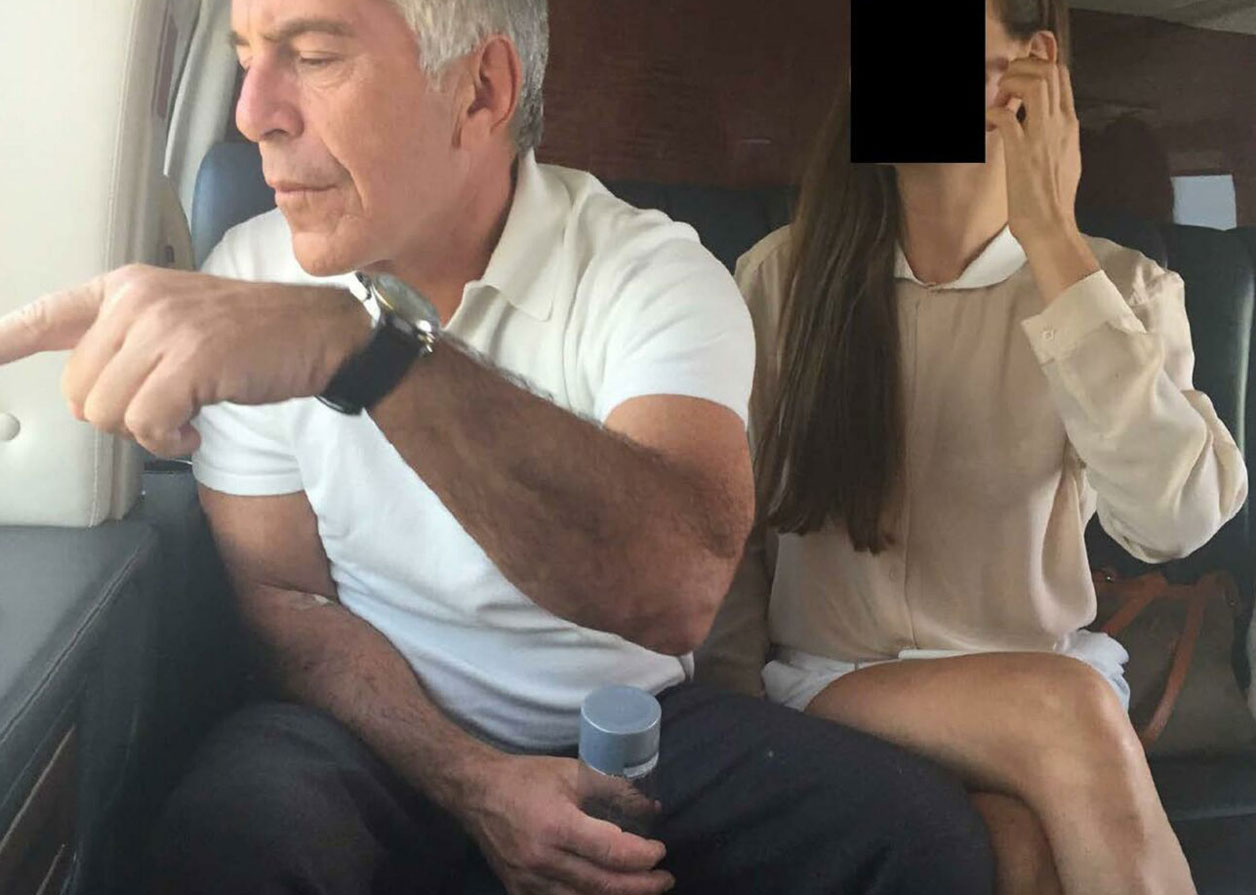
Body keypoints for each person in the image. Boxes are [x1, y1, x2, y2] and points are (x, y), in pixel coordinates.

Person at [0, 1, 997, 893]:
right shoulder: (245, 275)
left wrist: (365, 348)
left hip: (632, 731)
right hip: (369, 730)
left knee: (918, 840)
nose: (253, 111)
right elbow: (285, 600)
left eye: (314, 55)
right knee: (227, 840)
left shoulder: (648, 274)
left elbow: (676, 590)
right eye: (247, 55)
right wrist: (473, 777)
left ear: (479, 91)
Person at [697, 1, 1245, 894]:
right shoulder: (779, 281)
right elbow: (726, 534)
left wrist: (1052, 239)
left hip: (1035, 682)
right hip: (834, 690)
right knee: (1065, 710)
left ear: (1032, 67)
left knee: (1020, 850)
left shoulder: (1118, 288)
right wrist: (741, 734)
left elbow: (1175, 520)